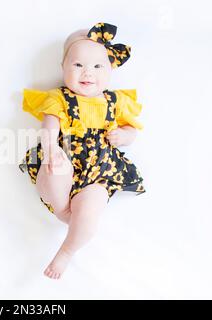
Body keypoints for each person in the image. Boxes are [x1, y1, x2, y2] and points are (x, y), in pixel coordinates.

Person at [19, 22, 146, 279]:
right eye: (78, 65)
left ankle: (67, 250)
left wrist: (124, 135)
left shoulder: (116, 101)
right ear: (63, 68)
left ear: (110, 69)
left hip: (100, 170)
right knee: (55, 169)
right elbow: (49, 126)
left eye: (98, 66)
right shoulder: (59, 98)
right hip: (65, 156)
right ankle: (62, 209)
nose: (88, 72)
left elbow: (132, 131)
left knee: (91, 209)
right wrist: (52, 149)